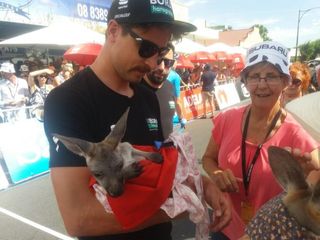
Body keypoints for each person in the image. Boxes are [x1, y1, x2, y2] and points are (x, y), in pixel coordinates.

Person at [44, 1, 231, 240]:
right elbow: (80, 218)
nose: (153, 63)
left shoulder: (146, 96)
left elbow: (163, 169)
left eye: (161, 52)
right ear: (113, 31)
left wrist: (204, 186)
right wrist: (180, 208)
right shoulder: (68, 100)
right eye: (145, 48)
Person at [201, 41, 320, 240]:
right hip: (225, 226)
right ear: (245, 82)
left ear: (285, 82)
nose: (262, 84)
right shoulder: (227, 119)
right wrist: (216, 173)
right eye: (255, 76)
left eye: (271, 76)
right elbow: (207, 158)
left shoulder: (298, 134)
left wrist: (308, 181)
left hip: (268, 233)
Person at [142, 43, 185, 139]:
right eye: (158, 60)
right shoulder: (132, 89)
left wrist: (181, 118)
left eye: (168, 62)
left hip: (167, 151)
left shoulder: (170, 86)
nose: (161, 67)